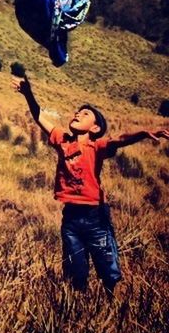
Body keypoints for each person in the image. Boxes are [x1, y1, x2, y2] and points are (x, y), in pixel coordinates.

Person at [14, 74, 169, 294]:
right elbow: (40, 117)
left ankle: (112, 299)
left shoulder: (97, 146)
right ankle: (78, 300)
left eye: (85, 114)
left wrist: (143, 134)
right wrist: (28, 94)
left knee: (107, 264)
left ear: (95, 128)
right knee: (74, 266)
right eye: (77, 112)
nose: (78, 114)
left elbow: (120, 139)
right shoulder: (62, 140)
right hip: (71, 216)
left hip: (95, 215)